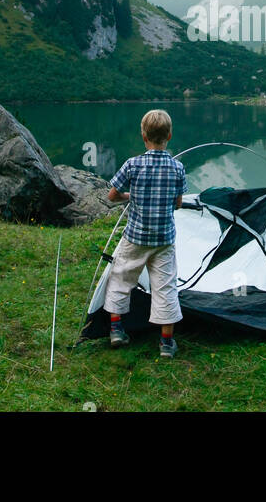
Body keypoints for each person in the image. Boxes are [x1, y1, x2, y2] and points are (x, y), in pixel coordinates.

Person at [105, 109, 187, 358]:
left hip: (135, 237)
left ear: (143, 136)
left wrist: (131, 196)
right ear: (169, 136)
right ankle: (166, 343)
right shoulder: (177, 167)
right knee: (165, 287)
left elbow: (112, 196)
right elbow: (178, 203)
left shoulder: (132, 164)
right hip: (164, 239)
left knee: (121, 278)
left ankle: (117, 330)